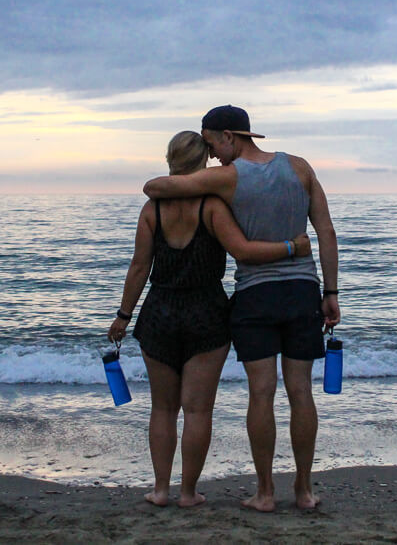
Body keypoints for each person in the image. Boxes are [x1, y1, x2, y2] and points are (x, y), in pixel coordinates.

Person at [143, 106, 340, 512]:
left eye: (213, 142)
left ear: (230, 135)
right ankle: (303, 491)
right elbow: (326, 231)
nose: (212, 153)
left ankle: (265, 493)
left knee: (261, 393)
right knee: (301, 392)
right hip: (303, 289)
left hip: (255, 294)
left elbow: (156, 188)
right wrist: (331, 292)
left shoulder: (227, 177)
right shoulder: (300, 167)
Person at [108, 130, 311, 508]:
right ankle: (188, 493)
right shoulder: (213, 206)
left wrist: (123, 315)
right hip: (207, 313)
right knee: (198, 409)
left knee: (163, 409)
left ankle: (160, 489)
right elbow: (243, 250)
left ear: (170, 160)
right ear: (203, 162)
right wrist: (291, 247)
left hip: (160, 312)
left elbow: (139, 267)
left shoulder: (152, 209)